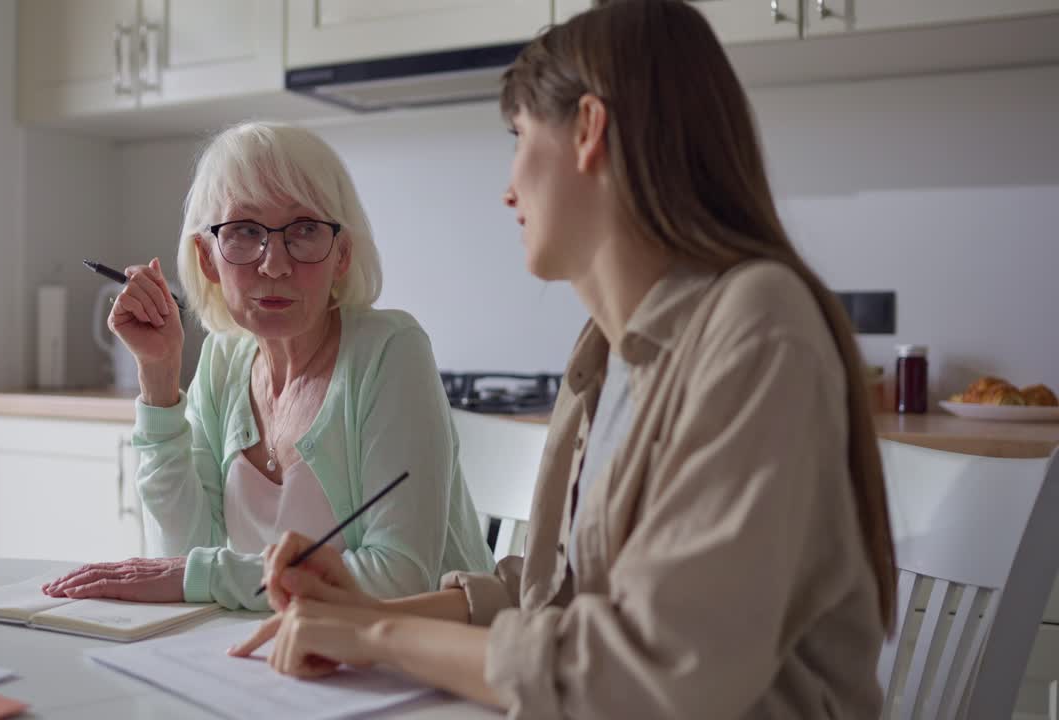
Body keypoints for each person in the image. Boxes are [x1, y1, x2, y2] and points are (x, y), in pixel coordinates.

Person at [229, 2, 897, 717]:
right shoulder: (606, 351)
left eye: (519, 137)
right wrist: (365, 613)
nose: (508, 187)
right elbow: (564, 592)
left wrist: (383, 636)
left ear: (587, 129)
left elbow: (657, 670)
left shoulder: (759, 327)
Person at [44, 122, 494, 610]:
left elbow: (400, 578)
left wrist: (206, 574)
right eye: (244, 231)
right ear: (208, 258)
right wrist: (159, 375)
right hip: (279, 659)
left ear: (342, 254)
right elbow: (178, 555)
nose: (275, 263)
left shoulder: (391, 351)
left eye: (304, 230)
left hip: (422, 665)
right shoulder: (223, 359)